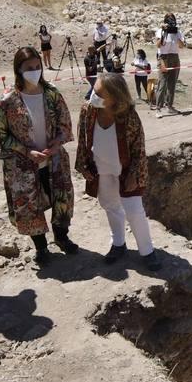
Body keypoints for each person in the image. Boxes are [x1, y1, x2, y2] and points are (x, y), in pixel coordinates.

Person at [0, 47, 79, 266]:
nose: (34, 71)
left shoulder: (52, 94)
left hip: (54, 160)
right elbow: (1, 137)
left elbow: (65, 125)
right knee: (30, 206)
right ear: (18, 70)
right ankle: (41, 248)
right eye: (28, 68)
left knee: (62, 200)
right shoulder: (8, 100)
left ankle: (62, 237)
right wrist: (27, 151)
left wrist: (57, 143)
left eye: (37, 67)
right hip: (23, 166)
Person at [76, 73, 160, 271]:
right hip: (101, 168)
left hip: (125, 170)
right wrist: (83, 165)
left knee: (134, 210)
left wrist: (134, 174)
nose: (92, 96)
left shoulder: (128, 116)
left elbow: (139, 148)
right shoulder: (88, 111)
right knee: (110, 205)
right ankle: (118, 244)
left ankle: (147, 251)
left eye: (98, 93)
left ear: (114, 97)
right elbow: (82, 138)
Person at [155, 13, 186, 114]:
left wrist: (177, 36)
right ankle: (158, 108)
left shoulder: (178, 32)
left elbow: (181, 46)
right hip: (163, 57)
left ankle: (169, 106)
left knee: (172, 84)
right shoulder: (161, 31)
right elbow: (158, 45)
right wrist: (164, 33)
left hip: (175, 57)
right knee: (162, 83)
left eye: (173, 19)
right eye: (169, 20)